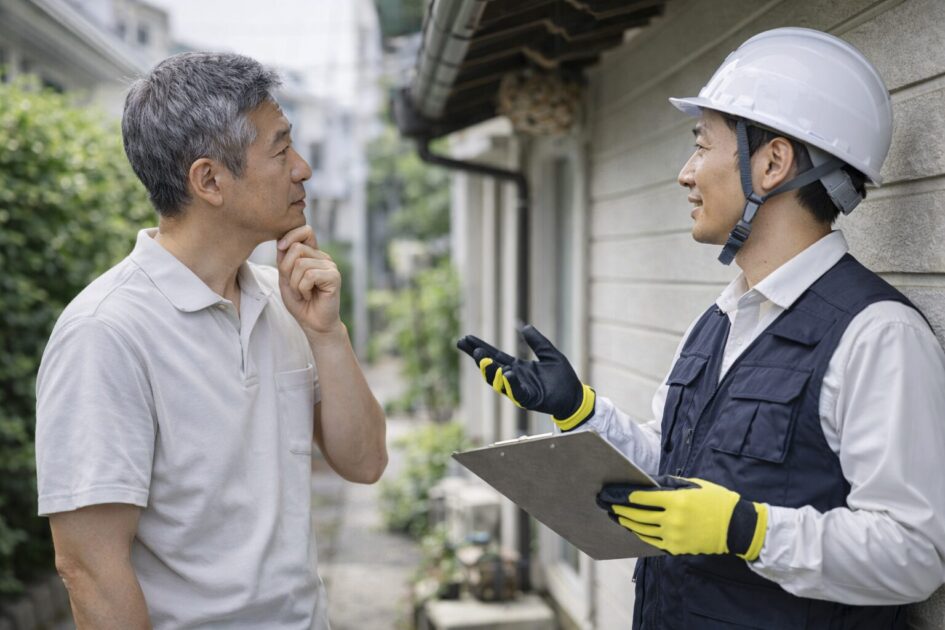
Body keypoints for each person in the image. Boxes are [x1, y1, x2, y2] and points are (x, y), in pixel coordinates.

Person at [457, 28, 945, 628]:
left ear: (771, 163)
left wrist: (749, 530)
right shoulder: (719, 320)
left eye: (702, 146)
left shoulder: (877, 335)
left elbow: (915, 554)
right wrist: (580, 412)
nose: (686, 174)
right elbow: (672, 477)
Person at [35, 52, 387, 629]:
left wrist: (328, 335)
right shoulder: (106, 333)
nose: (303, 168)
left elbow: (367, 463)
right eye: (280, 149)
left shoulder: (284, 301)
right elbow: (89, 570)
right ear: (209, 181)